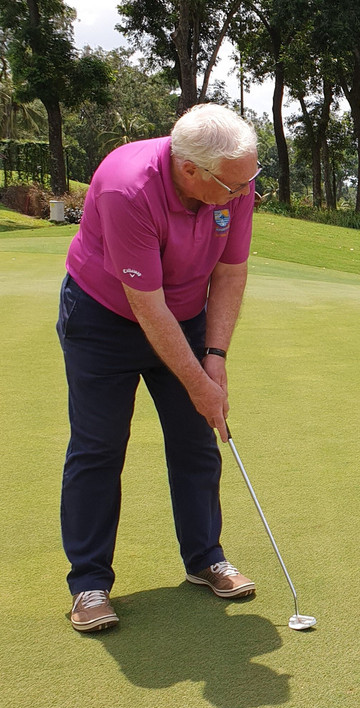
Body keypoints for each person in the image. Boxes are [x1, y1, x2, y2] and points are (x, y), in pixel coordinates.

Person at [58, 103, 261, 632]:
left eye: (250, 180)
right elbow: (146, 305)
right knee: (99, 446)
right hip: (105, 318)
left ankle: (204, 558)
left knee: (197, 440)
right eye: (235, 185)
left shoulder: (233, 183)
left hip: (187, 313)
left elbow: (231, 274)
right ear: (190, 169)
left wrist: (214, 360)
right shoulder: (127, 188)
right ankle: (89, 584)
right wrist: (197, 383)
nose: (244, 193)